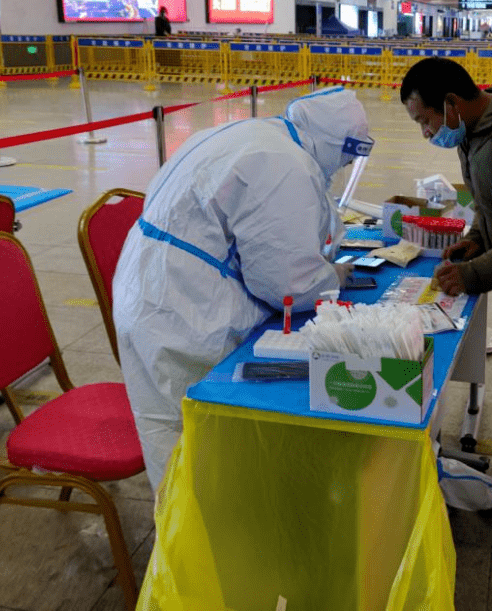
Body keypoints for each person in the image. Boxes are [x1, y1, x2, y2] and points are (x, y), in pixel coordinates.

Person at [113, 87, 373, 490]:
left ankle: (180, 540)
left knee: (166, 434)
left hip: (143, 292)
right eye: (346, 154)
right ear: (332, 141)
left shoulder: (256, 135)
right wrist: (333, 278)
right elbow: (286, 284)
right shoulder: (284, 163)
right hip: (184, 314)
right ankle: (216, 538)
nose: (343, 165)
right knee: (206, 446)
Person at [399, 58, 492, 516]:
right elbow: (491, 205)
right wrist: (473, 241)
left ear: (451, 103)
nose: (426, 132)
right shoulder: (472, 134)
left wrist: (475, 273)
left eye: (425, 119)